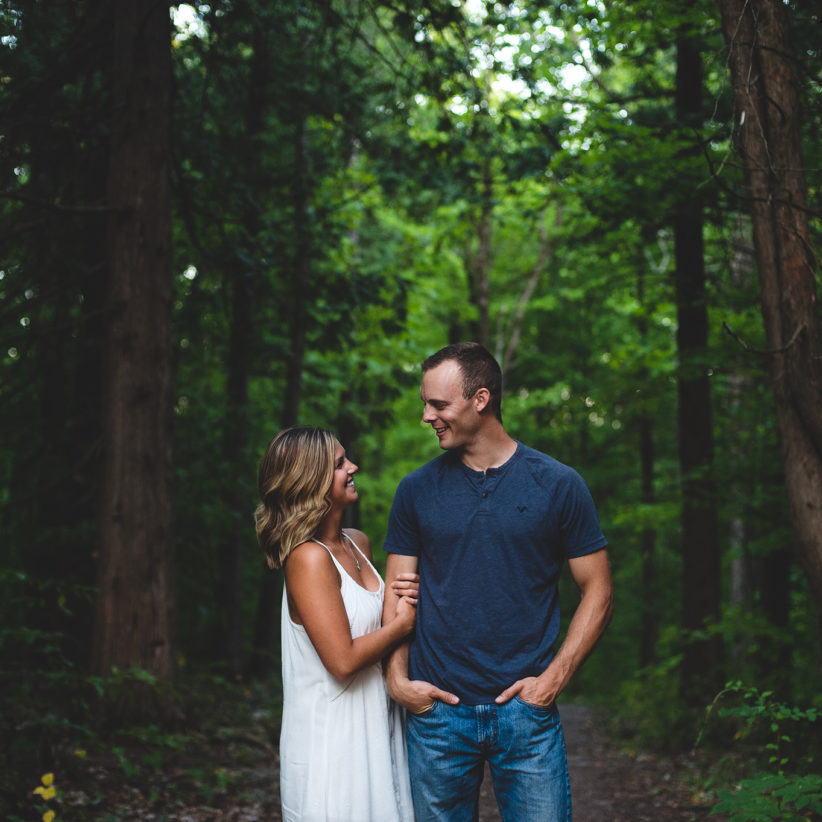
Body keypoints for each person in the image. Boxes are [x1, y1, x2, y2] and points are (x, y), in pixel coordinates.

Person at [382, 342, 614, 822]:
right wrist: (398, 681)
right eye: (426, 404)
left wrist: (554, 679)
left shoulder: (558, 483)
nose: (427, 415)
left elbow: (600, 590)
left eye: (438, 404)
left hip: (526, 715)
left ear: (480, 399)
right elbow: (397, 593)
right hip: (438, 716)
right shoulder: (415, 491)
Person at [255, 426, 417, 822]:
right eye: (340, 463)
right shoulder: (307, 559)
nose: (353, 467)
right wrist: (402, 624)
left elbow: (371, 624)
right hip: (332, 742)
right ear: (311, 480)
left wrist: (405, 593)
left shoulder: (357, 542)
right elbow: (342, 661)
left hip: (376, 725)